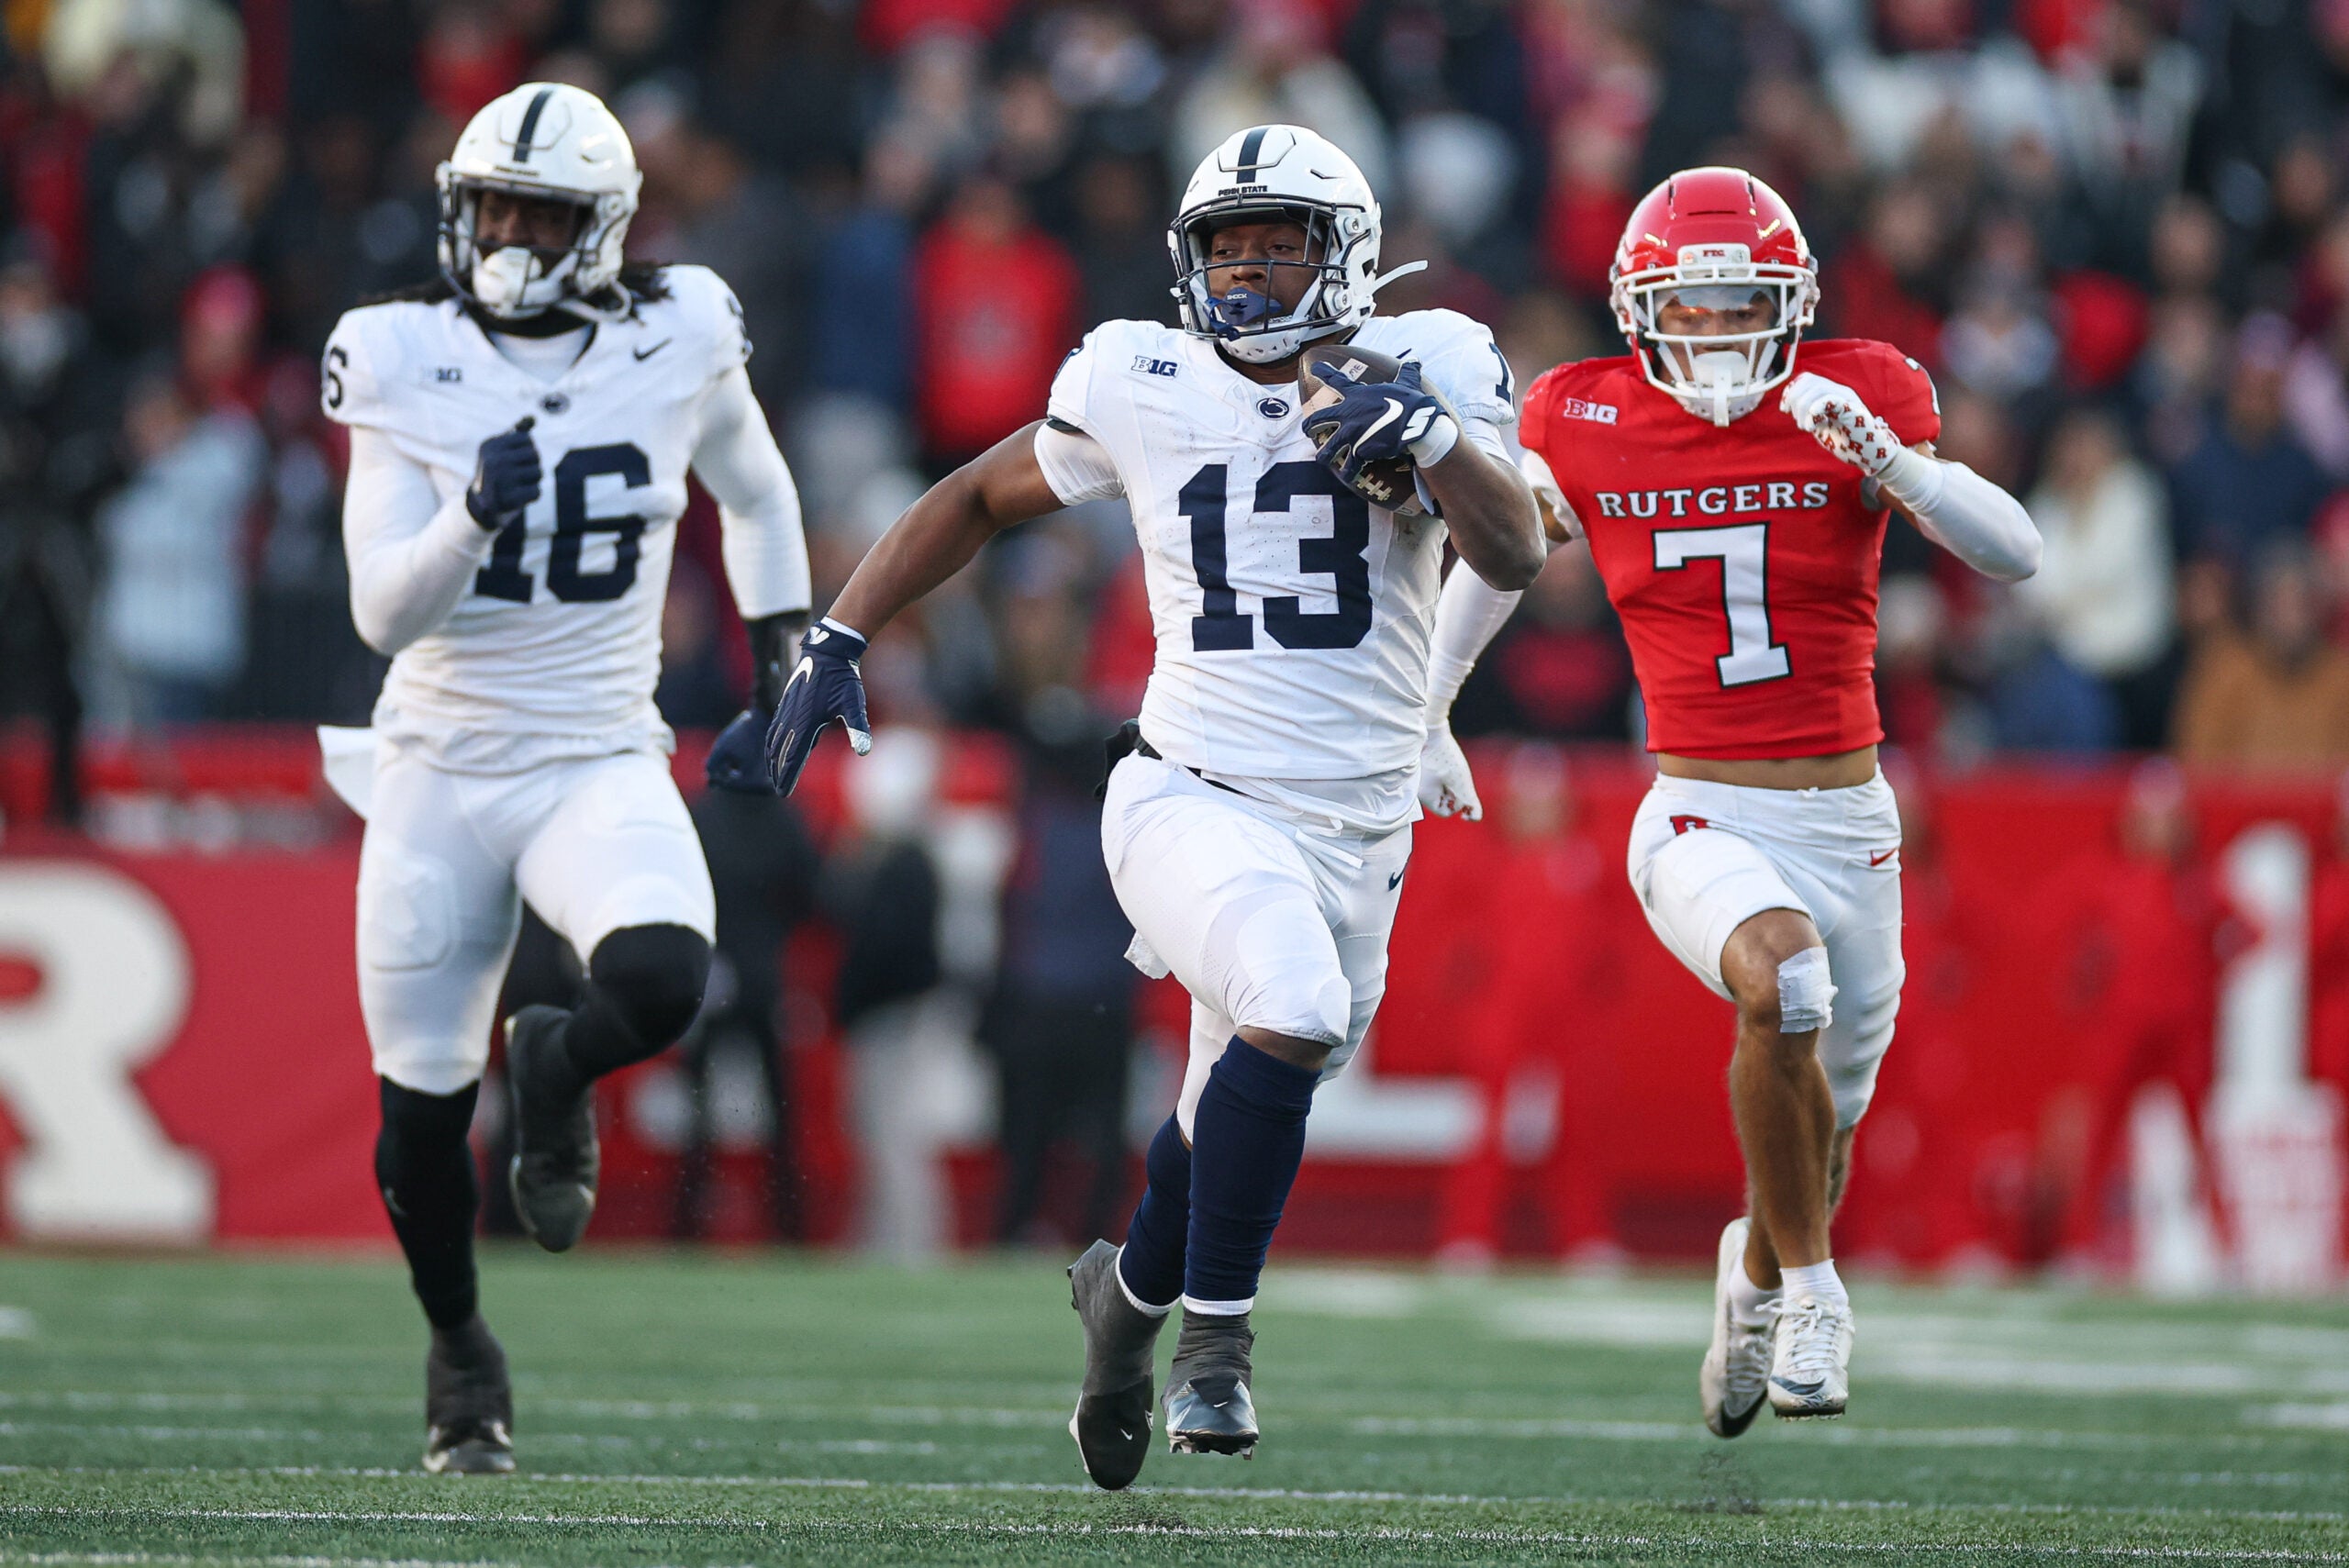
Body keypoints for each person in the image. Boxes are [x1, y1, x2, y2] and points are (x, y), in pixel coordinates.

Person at [765, 123, 1542, 1485]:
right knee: (1291, 1010)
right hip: (1188, 788)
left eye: (1276, 242)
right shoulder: (1142, 372)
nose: (1245, 271)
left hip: (1359, 826)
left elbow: (1515, 543)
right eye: (1225, 244)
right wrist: (840, 634)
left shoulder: (1441, 362)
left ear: (1346, 255)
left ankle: (1124, 1306)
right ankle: (1216, 1353)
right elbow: (979, 495)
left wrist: (1428, 439)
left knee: (1215, 1128)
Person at [1419, 167, 2039, 1431]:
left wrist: (1905, 474)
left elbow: (2019, 552)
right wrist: (1428, 704)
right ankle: (1814, 1289)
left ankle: (1754, 1279)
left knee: (1827, 1130)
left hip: (1850, 818)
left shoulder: (1859, 392)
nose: (1713, 331)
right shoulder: (1583, 413)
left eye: (1738, 303)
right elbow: (1510, 554)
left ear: (1792, 300)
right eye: (1688, 309)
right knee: (1785, 982)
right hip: (1698, 806)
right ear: (1643, 311)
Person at [317, 83, 810, 1475]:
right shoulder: (398, 351)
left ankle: (557, 1059)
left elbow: (761, 492)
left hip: (595, 744)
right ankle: (461, 1350)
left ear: (602, 229)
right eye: (493, 208)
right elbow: (378, 614)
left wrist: (781, 650)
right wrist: (473, 511)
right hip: (438, 761)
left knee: (663, 975)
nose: (511, 236)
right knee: (416, 1120)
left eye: (540, 212)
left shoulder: (680, 329)